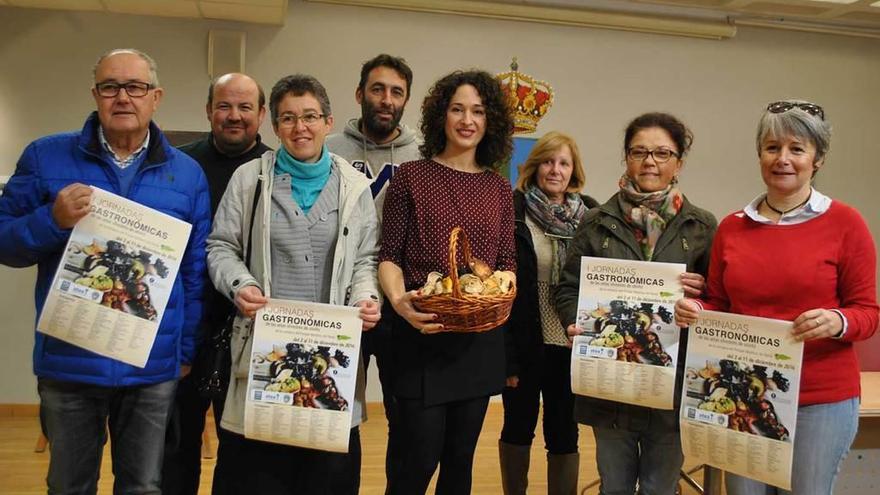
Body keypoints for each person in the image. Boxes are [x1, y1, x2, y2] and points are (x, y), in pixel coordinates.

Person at [0, 48, 211, 494]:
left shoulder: (187, 174)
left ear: (156, 97)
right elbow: (5, 241)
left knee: (142, 486)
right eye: (110, 86)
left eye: (134, 87)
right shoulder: (45, 157)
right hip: (70, 362)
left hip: (151, 369)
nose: (122, 97)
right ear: (95, 94)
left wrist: (185, 349)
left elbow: (194, 272)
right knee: (69, 485)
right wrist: (51, 221)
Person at [675, 100, 879, 495]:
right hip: (742, 394)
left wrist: (839, 321)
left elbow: (868, 312)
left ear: (817, 158)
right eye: (772, 148)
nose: (782, 159)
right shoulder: (733, 228)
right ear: (759, 155)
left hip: (820, 401)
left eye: (796, 149)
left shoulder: (846, 223)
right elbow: (719, 301)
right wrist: (696, 309)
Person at [206, 74, 380, 495]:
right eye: (288, 118)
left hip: (330, 357)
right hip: (269, 350)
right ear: (275, 126)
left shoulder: (356, 188)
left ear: (328, 121)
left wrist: (366, 297)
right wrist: (240, 285)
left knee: (326, 477)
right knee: (259, 475)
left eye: (309, 117)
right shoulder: (250, 181)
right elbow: (220, 247)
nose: (300, 127)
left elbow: (365, 260)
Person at [555, 112, 717, 495]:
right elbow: (568, 288)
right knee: (614, 486)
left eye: (663, 153)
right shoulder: (596, 221)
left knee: (661, 487)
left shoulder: (703, 226)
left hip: (673, 386)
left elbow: (723, 300)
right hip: (611, 384)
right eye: (639, 151)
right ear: (626, 157)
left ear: (679, 162)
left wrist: (703, 296)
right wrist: (574, 320)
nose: (650, 162)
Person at [378, 69, 516, 494]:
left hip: (477, 340)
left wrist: (499, 288)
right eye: (457, 109)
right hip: (421, 335)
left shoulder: (498, 187)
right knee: (414, 462)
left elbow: (506, 261)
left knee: (460, 463)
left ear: (489, 120)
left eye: (477, 111)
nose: (467, 120)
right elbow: (389, 255)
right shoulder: (411, 177)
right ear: (442, 115)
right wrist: (400, 302)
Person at [162, 72, 272, 495]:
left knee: (243, 456)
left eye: (245, 107)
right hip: (184, 325)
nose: (234, 115)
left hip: (249, 331)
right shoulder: (178, 166)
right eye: (224, 105)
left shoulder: (275, 170)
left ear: (261, 114)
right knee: (175, 449)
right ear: (208, 110)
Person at [325, 53, 420, 491]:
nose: (386, 99)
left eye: (396, 92)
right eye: (378, 89)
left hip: (402, 303)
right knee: (342, 411)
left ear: (406, 100)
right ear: (360, 94)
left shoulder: (422, 157)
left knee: (406, 415)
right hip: (346, 301)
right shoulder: (330, 152)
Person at [500, 131, 599, 495]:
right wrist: (507, 357)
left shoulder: (592, 215)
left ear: (574, 171)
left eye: (563, 163)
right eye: (547, 161)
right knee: (517, 427)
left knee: (563, 432)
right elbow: (502, 286)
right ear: (533, 166)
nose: (554, 170)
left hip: (571, 341)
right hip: (525, 338)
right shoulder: (512, 210)